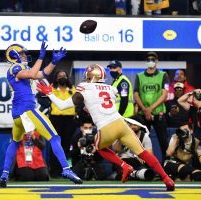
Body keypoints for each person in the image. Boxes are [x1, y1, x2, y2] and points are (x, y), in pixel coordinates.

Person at [37, 63, 175, 191]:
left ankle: (124, 166)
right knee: (143, 152)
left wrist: (49, 93)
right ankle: (166, 178)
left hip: (106, 127)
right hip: (121, 123)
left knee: (100, 148)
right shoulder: (111, 88)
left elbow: (62, 106)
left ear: (90, 76)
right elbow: (99, 104)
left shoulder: (84, 87)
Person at [0, 42, 82, 188]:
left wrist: (53, 62)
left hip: (18, 114)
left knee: (15, 142)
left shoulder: (21, 69)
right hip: (27, 110)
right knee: (54, 137)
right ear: (14, 56)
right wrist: (41, 57)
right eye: (22, 54)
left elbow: (41, 74)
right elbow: (32, 74)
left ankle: (4, 174)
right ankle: (66, 169)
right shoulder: (15, 67)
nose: (25, 56)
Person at [133, 51, 169, 162]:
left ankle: (166, 166)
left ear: (156, 61)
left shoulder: (163, 75)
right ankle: (143, 165)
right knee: (141, 141)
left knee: (163, 142)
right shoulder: (139, 76)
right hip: (143, 114)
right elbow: (135, 94)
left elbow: (165, 94)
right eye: (148, 59)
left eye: (153, 59)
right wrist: (144, 109)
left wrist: (151, 109)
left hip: (159, 113)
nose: (150, 61)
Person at [49, 70, 76, 178]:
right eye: (60, 76)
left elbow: (78, 101)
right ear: (56, 79)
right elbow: (43, 100)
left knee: (67, 145)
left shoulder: (72, 89)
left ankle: (66, 171)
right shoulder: (52, 89)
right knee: (56, 144)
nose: (62, 77)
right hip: (56, 119)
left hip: (69, 120)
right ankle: (54, 172)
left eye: (64, 76)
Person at [112, 115, 155, 181]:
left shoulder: (144, 136)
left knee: (147, 170)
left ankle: (128, 174)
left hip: (137, 161)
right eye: (130, 124)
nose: (132, 127)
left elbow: (150, 154)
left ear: (140, 126)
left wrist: (142, 157)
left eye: (135, 125)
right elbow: (115, 150)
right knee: (119, 163)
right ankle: (133, 174)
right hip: (124, 160)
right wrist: (120, 137)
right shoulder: (121, 134)